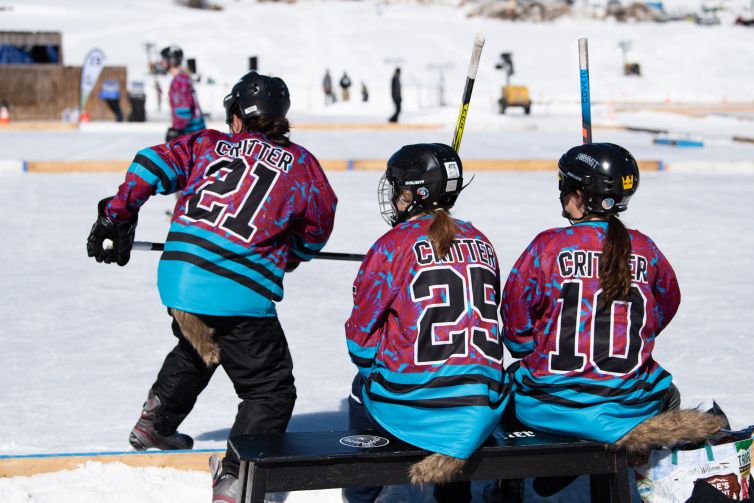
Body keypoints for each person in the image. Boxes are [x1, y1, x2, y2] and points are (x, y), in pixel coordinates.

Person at [86, 71, 337, 503]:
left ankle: (156, 423)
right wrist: (291, 254)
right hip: (237, 288)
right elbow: (319, 223)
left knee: (201, 342)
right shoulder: (302, 166)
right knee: (270, 388)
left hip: (179, 277)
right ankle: (236, 476)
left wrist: (117, 214)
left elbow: (149, 162)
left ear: (237, 117)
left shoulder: (206, 143)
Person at [500, 142, 722, 496]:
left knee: (506, 388)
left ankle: (515, 482)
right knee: (668, 392)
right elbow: (665, 304)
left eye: (563, 184)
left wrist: (536, 347)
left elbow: (515, 328)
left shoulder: (547, 246)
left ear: (578, 194)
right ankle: (625, 457)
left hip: (551, 408)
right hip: (629, 405)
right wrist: (628, 339)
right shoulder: (645, 248)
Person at [344, 143, 509, 503]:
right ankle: (454, 495)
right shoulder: (482, 240)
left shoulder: (392, 245)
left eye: (399, 188)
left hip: (418, 408)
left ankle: (360, 493)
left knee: (361, 387)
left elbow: (360, 342)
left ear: (416, 192)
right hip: (480, 406)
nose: (394, 197)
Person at [161, 45, 206, 141]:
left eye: (164, 59)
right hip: (194, 133)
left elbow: (184, 109)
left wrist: (177, 130)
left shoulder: (179, 81)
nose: (161, 62)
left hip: (191, 134)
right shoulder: (182, 78)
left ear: (172, 60)